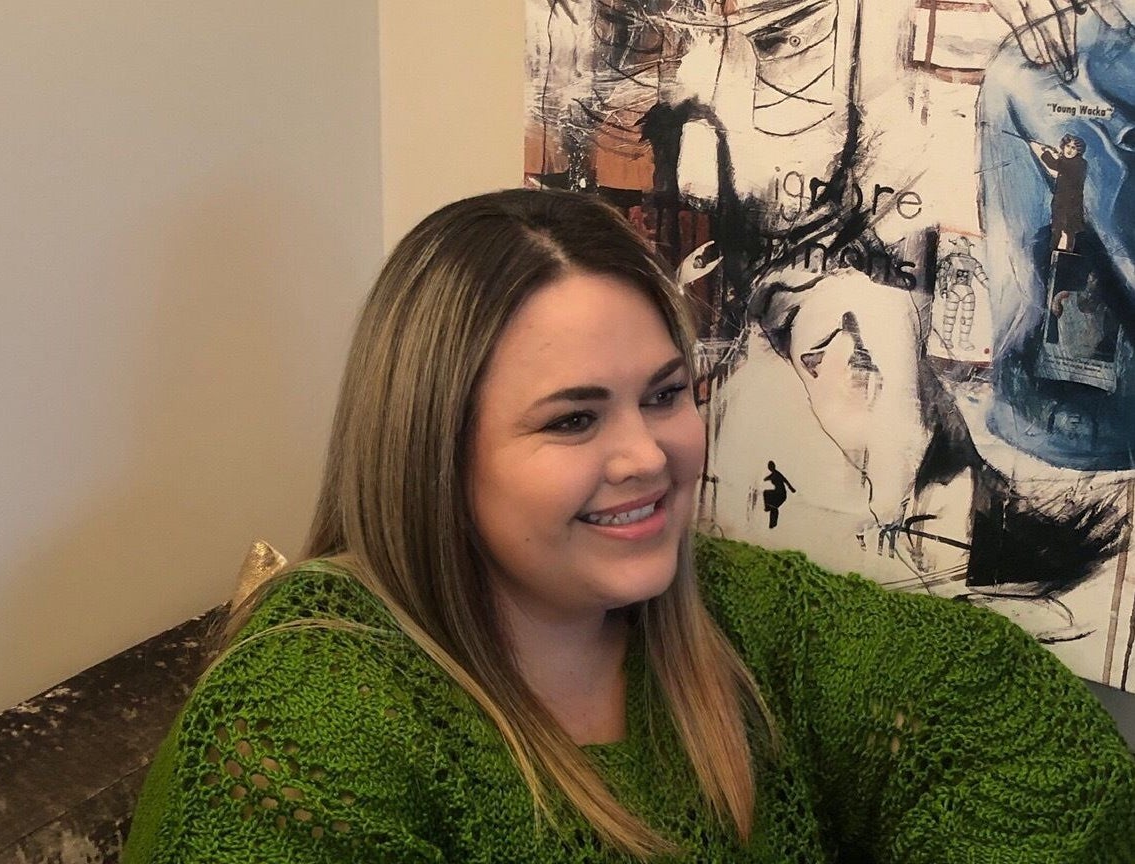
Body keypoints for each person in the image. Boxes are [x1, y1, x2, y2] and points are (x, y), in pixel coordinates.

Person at [123, 189, 1135, 863]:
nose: (648, 455)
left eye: (662, 394)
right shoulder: (309, 712)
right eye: (572, 419)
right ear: (433, 451)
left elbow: (1035, 747)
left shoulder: (728, 616)